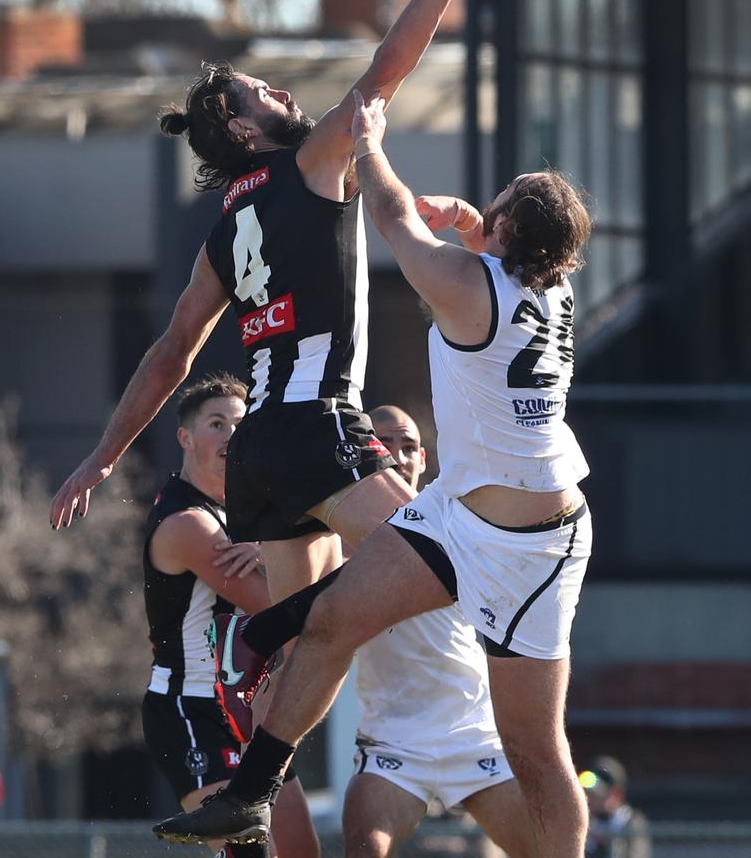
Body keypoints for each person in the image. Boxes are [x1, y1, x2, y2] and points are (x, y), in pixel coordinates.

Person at [49, 0, 525, 630]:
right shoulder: (308, 161)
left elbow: (173, 350)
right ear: (242, 131)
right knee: (457, 560)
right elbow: (385, 71)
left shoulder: (221, 230)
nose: (276, 89)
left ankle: (272, 703)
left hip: (258, 452)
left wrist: (105, 455)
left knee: (312, 646)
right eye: (257, 92)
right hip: (317, 424)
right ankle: (280, 626)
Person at [152, 88, 593, 858]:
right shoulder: (549, 288)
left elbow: (391, 218)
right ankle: (252, 790)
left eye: (502, 202)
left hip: (530, 550)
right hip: (465, 517)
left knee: (536, 747)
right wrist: (473, 222)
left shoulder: (464, 287)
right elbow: (491, 252)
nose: (488, 208)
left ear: (510, 228)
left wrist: (369, 145)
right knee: (330, 621)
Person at [142, 373, 318, 858]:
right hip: (192, 708)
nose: (228, 437)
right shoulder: (190, 523)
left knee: (302, 851)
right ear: (186, 438)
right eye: (216, 424)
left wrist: (268, 548)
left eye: (238, 426)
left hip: (253, 712)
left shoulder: (242, 515)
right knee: (247, 852)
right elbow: (279, 608)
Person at [343, 406, 531, 858]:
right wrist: (259, 553)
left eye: (409, 447)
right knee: (364, 850)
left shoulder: (451, 515)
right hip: (394, 739)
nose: (399, 455)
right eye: (385, 443)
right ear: (362, 451)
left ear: (424, 459)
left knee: (551, 847)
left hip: (475, 733)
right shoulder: (331, 532)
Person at [580, 756, 652, 858]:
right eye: (589, 793)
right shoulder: (587, 822)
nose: (590, 799)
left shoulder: (632, 822)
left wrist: (609, 844)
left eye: (598, 795)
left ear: (617, 794)